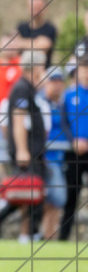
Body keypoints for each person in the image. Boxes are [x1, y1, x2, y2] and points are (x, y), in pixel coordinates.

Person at [0, 51, 48, 243]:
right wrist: (22, 149)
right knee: (31, 193)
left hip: (33, 152)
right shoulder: (22, 88)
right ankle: (27, 234)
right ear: (35, 67)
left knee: (26, 194)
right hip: (27, 153)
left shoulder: (30, 88)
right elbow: (18, 120)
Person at [60, 57, 88, 242]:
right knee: (71, 196)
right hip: (73, 153)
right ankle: (63, 239)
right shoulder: (69, 95)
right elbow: (64, 122)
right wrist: (73, 141)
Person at [40, 68, 68, 240]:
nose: (57, 85)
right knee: (57, 198)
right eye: (53, 81)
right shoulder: (41, 104)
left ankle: (49, 236)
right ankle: (45, 235)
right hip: (47, 159)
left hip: (60, 158)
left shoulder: (61, 105)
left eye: (60, 82)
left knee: (53, 203)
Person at [13, 0, 58, 66]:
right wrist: (36, 43)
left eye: (38, 7)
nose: (35, 11)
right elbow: (13, 46)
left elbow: (44, 46)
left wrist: (21, 43)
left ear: (45, 8)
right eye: (32, 7)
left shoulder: (50, 29)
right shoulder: (21, 27)